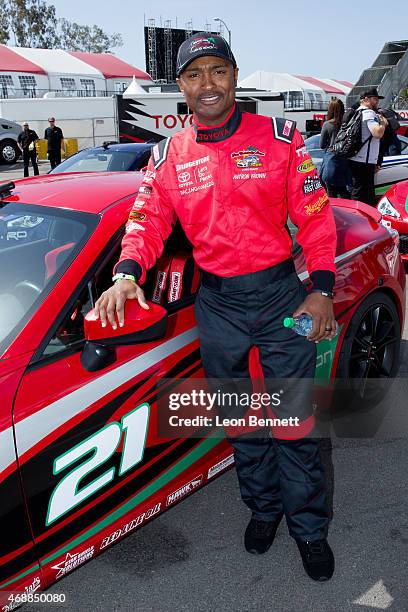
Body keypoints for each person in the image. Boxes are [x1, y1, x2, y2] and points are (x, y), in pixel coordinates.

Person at [94, 33, 337, 581]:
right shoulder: (169, 155)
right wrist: (128, 272)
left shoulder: (280, 138)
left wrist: (320, 287)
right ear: (180, 86)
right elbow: (146, 220)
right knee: (239, 420)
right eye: (195, 74)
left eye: (218, 71)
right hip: (219, 304)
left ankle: (310, 530)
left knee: (294, 423)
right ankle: (264, 510)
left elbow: (318, 217)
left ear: (234, 76)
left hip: (282, 299)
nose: (208, 84)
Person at [349, 88, 388, 206]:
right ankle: (361, 219)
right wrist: (383, 124)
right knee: (364, 194)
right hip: (364, 161)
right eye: (374, 99)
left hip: (356, 158)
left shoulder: (357, 111)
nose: (377, 101)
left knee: (358, 191)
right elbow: (378, 133)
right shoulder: (368, 113)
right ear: (366, 99)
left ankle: (356, 217)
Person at [319, 98, 351, 198]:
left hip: (331, 162)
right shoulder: (348, 124)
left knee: (330, 194)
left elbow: (322, 145)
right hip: (345, 162)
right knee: (344, 192)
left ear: (330, 110)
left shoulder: (327, 124)